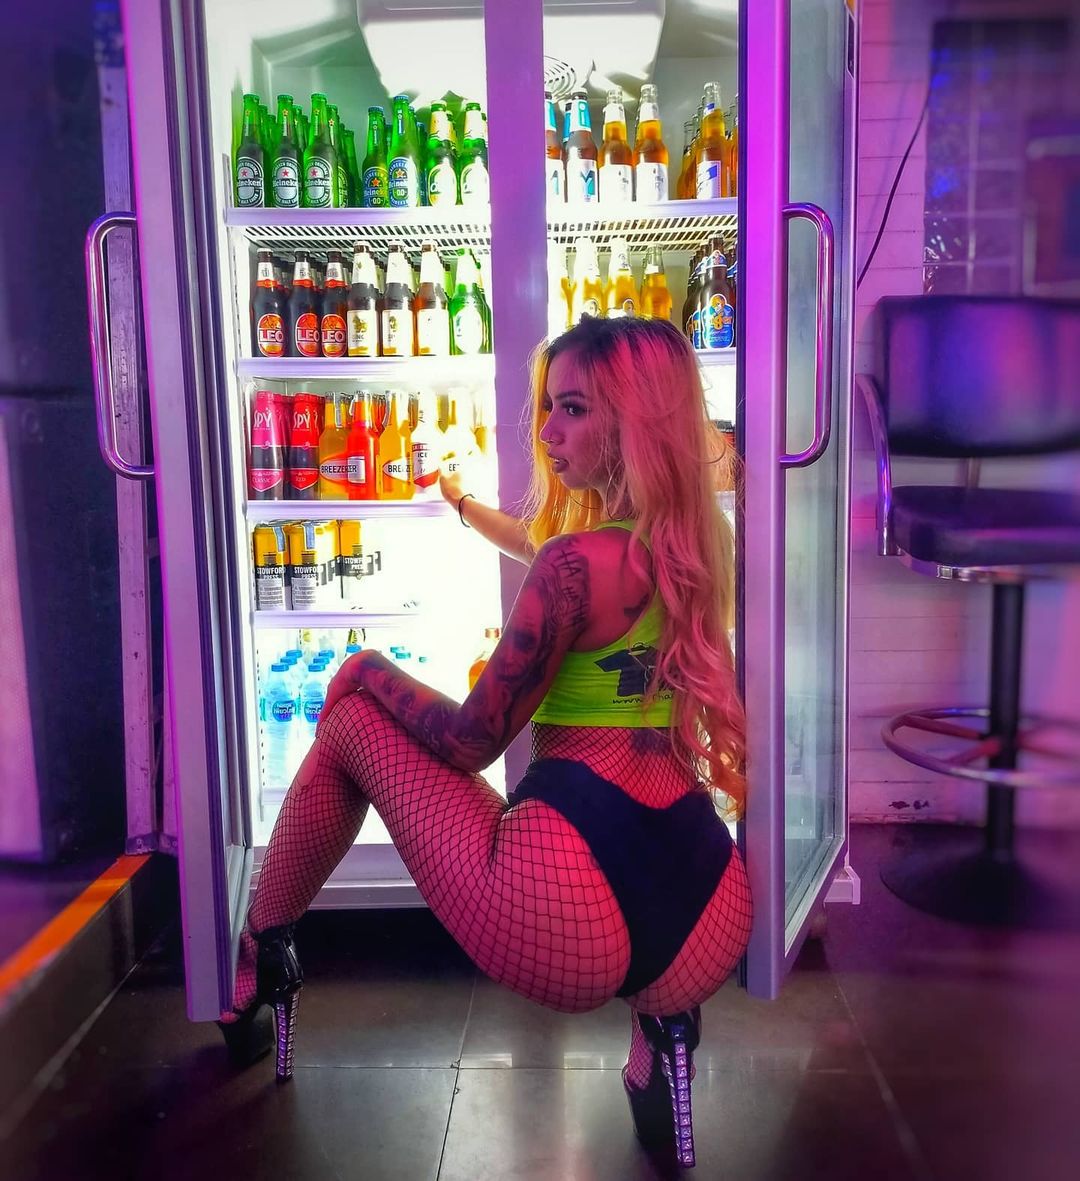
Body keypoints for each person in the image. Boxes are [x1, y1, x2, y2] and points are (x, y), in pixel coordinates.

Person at [220, 315, 752, 1167]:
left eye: (571, 408)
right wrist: (464, 507)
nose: (546, 431)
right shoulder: (697, 545)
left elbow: (471, 739)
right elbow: (542, 543)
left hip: (566, 900)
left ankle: (263, 951)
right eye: (547, 408)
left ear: (632, 421)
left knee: (352, 722)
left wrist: (368, 668)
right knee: (663, 967)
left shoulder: (573, 566)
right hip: (705, 906)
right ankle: (664, 1036)